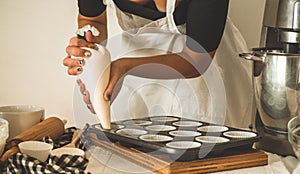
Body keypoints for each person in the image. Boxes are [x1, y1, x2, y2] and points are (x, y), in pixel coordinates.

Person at [63, 0, 253, 128]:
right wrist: (89, 49)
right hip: (138, 77)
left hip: (203, 77)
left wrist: (124, 68)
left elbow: (197, 60)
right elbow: (92, 19)